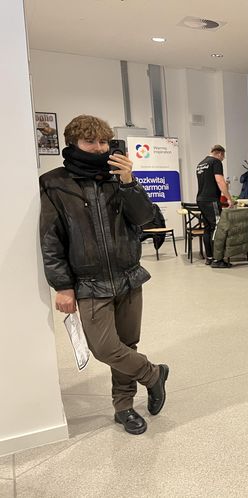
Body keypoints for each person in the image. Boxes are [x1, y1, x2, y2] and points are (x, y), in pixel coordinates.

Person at [39, 115, 169, 436]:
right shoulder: (55, 183)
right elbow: (51, 239)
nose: (98, 148)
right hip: (88, 283)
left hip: (128, 275)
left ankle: (123, 407)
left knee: (128, 343)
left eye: (103, 142)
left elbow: (144, 219)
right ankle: (154, 375)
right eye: (90, 142)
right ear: (73, 143)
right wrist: (63, 286)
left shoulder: (117, 177)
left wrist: (128, 181)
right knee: (104, 348)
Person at [196, 144, 234, 265]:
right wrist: (229, 198)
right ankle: (218, 259)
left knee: (208, 228)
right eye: (223, 157)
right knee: (218, 228)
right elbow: (219, 180)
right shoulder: (216, 162)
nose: (222, 159)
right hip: (211, 200)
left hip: (201, 199)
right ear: (219, 153)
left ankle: (210, 257)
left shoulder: (200, 164)